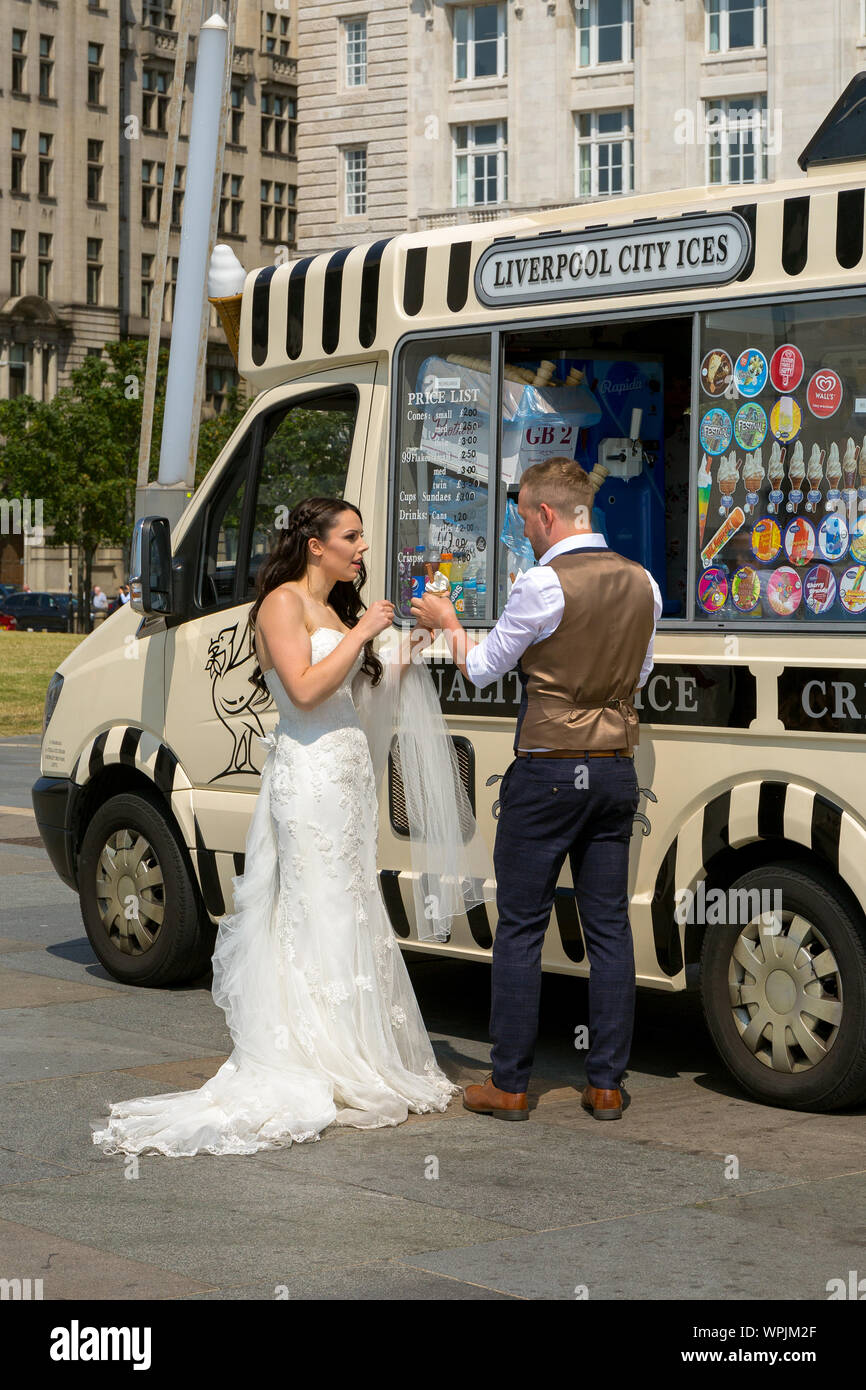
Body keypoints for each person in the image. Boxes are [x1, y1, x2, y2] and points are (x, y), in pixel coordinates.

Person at [91, 496, 493, 1156]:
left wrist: (407, 650)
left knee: (351, 905)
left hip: (347, 776)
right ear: (315, 545)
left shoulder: (338, 609)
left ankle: (353, 1049)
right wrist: (364, 636)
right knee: (317, 908)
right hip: (306, 776)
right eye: (352, 536)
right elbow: (304, 690)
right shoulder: (281, 604)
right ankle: (316, 1055)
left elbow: (355, 694)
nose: (363, 548)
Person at [411, 458, 661, 1123]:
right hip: (614, 769)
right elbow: (638, 674)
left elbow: (483, 668)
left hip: (548, 771)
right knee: (608, 926)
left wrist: (446, 620)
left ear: (546, 514)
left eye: (522, 514)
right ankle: (606, 1085)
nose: (521, 526)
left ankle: (510, 1085)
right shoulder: (645, 584)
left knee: (521, 926)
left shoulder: (541, 585)